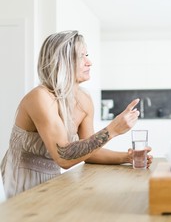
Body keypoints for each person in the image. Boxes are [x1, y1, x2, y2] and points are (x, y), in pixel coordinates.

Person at [1, 30, 153, 198]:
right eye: (82, 56)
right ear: (61, 62)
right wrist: (113, 130)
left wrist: (127, 157)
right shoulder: (40, 97)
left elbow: (89, 151)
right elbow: (63, 157)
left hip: (52, 181)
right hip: (18, 182)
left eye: (87, 55)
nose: (89, 62)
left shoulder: (84, 99)